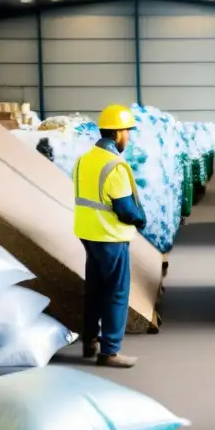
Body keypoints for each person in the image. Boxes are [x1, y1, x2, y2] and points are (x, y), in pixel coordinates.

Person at [73, 104, 148, 369]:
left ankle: (89, 341)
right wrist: (141, 220)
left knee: (94, 291)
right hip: (110, 236)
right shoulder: (115, 166)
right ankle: (110, 351)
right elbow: (126, 209)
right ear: (117, 133)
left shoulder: (84, 159)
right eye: (127, 131)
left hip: (87, 233)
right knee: (116, 292)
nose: (128, 136)